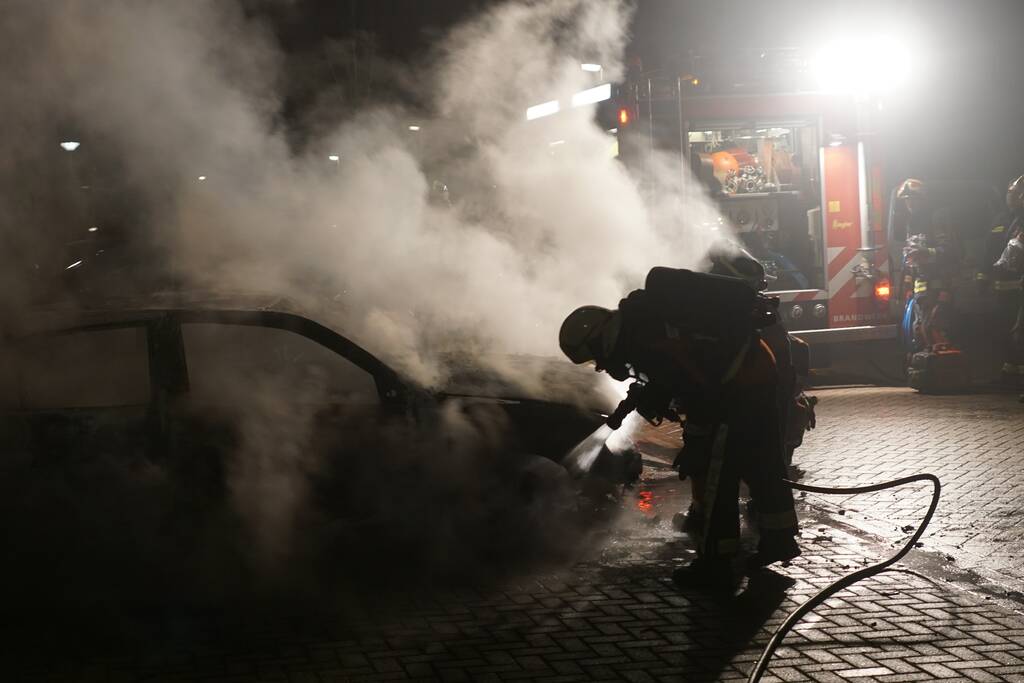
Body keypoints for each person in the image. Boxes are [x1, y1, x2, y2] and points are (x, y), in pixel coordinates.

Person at [559, 267, 800, 591]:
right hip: (755, 372)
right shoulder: (642, 326)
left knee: (716, 476)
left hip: (735, 388)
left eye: (594, 357)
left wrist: (697, 439)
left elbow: (696, 386)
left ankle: (714, 565)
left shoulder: (643, 338)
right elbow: (680, 373)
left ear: (600, 338)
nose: (600, 366)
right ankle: (779, 540)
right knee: (762, 463)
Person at [895, 178, 965, 390]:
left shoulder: (937, 218)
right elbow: (911, 260)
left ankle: (947, 379)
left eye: (913, 200)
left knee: (937, 329)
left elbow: (952, 253)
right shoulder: (912, 222)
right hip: (921, 290)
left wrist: (945, 290)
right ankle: (932, 378)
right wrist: (907, 286)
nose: (910, 204)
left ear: (923, 199)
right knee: (921, 331)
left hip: (938, 286)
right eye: (907, 200)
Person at [988, 175, 1024, 386]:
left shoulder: (1018, 220)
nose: (1009, 198)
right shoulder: (1009, 219)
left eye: (1013, 194)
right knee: (1012, 332)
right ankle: (1011, 376)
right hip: (1011, 289)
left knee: (1019, 332)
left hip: (1017, 288)